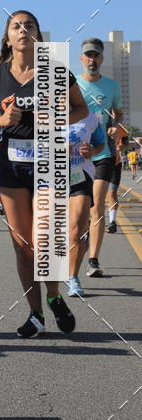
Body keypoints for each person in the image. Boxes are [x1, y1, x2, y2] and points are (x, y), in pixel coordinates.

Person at [0, 10, 88, 338]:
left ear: (38, 36)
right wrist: (2, 121)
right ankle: (36, 314)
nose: (23, 30)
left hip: (48, 164)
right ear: (8, 38)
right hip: (10, 167)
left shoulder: (56, 73)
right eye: (16, 26)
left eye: (29, 26)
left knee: (44, 240)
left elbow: (81, 109)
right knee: (23, 246)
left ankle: (54, 295)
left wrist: (55, 117)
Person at [76, 38, 123, 278]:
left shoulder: (113, 87)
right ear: (81, 59)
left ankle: (93, 259)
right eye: (88, 56)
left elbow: (119, 112)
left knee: (97, 205)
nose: (92, 60)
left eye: (96, 56)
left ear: (101, 59)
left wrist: (115, 126)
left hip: (102, 152)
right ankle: (81, 238)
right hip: (76, 156)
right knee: (81, 209)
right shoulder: (72, 85)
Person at [66, 112, 105, 297]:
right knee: (56, 231)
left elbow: (100, 143)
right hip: (48, 177)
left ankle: (72, 277)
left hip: (80, 175)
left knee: (76, 229)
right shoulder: (41, 114)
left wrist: (91, 151)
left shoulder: (90, 116)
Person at [106, 130, 128, 234]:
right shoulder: (97, 121)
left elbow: (126, 143)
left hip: (114, 164)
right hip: (95, 164)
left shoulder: (122, 129)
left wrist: (121, 147)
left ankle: (112, 222)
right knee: (95, 196)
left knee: (112, 193)